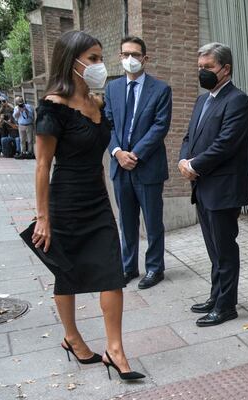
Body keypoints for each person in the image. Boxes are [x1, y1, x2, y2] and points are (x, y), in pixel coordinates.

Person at [32, 30, 144, 381]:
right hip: (64, 201)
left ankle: (115, 349)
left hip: (96, 200)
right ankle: (72, 337)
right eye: (93, 58)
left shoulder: (97, 104)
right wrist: (43, 218)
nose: (100, 65)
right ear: (73, 61)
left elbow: (97, 155)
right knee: (66, 274)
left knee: (112, 274)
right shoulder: (53, 106)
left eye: (99, 57)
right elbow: (41, 166)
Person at [179, 42, 248, 327]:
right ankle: (216, 296)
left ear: (226, 69)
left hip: (223, 189)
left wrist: (194, 166)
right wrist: (183, 160)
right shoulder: (202, 100)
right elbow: (190, 137)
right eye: (200, 67)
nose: (202, 72)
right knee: (213, 249)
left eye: (208, 67)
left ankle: (227, 306)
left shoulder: (237, 101)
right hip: (202, 186)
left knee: (224, 249)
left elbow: (225, 145)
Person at [105, 36, 172, 289]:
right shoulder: (112, 89)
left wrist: (135, 154)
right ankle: (128, 266)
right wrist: (118, 153)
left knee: (153, 221)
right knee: (127, 220)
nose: (130, 59)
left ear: (145, 58)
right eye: (125, 54)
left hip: (148, 167)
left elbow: (160, 126)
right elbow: (108, 125)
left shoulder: (161, 89)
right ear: (120, 57)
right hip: (120, 167)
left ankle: (155, 268)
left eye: (135, 54)